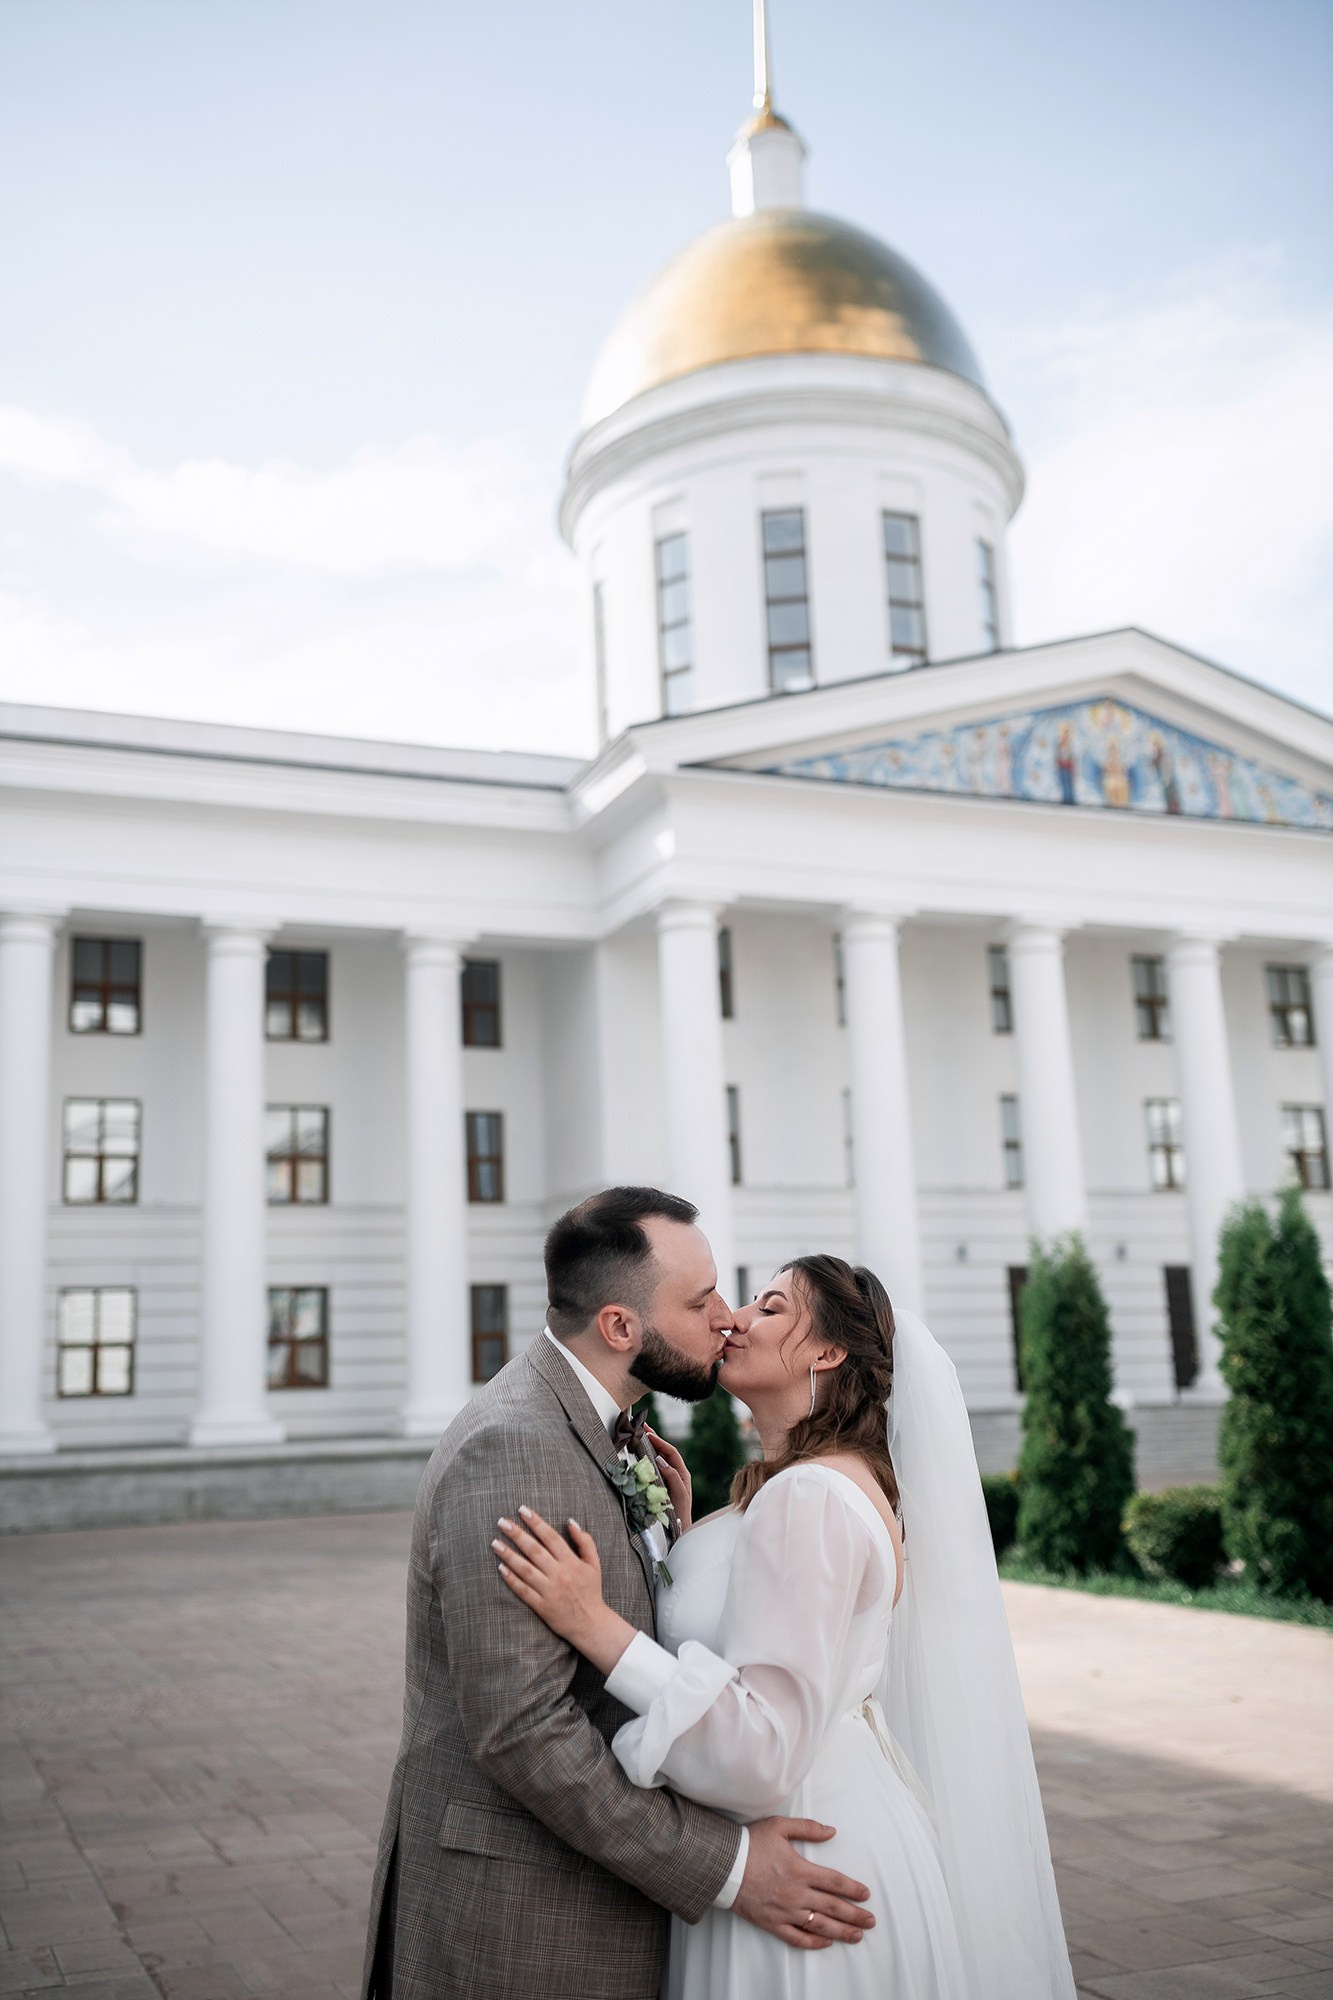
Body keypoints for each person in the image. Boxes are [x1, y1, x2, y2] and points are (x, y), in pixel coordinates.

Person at [498, 1255, 1077, 2000]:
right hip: (831, 1826)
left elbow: (762, 1748)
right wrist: (688, 1542)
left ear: (827, 1352)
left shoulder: (809, 1498)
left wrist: (594, 1626)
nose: (733, 1319)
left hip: (800, 1853)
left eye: (769, 1308)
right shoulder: (824, 1482)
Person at [361, 1190, 876, 2000]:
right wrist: (728, 1868)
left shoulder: (611, 1430)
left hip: (608, 1881)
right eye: (699, 1302)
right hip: (523, 1917)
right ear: (618, 1327)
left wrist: (678, 1543)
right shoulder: (516, 1447)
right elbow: (522, 1728)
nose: (726, 1318)